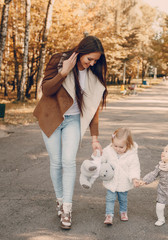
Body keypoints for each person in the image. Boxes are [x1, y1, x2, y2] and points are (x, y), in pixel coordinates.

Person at [33, 35, 108, 229]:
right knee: (56, 162)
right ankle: (60, 199)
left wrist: (95, 138)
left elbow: (93, 107)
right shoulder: (59, 60)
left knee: (68, 162)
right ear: (81, 51)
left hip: (73, 120)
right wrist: (63, 73)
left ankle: (67, 208)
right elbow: (46, 90)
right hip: (52, 117)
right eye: (89, 59)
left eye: (95, 61)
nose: (91, 64)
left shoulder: (93, 74)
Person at [103, 127, 141, 225]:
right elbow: (102, 159)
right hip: (111, 180)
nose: (117, 149)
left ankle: (123, 212)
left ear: (128, 145)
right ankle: (109, 215)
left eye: (121, 147)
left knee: (123, 198)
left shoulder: (131, 155)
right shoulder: (108, 150)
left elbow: (134, 167)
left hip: (124, 181)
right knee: (110, 198)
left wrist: (134, 178)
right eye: (115, 146)